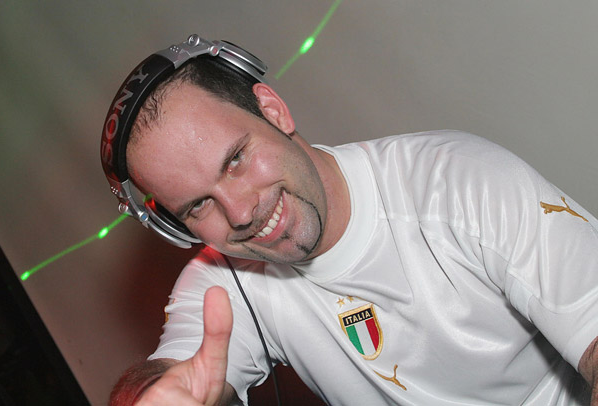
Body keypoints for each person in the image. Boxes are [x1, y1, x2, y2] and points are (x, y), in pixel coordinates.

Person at [103, 36, 598, 405]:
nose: (241, 212)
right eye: (198, 206)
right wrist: (150, 397)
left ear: (273, 111)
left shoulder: (459, 181)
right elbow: (168, 377)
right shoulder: (222, 282)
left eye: (235, 160)